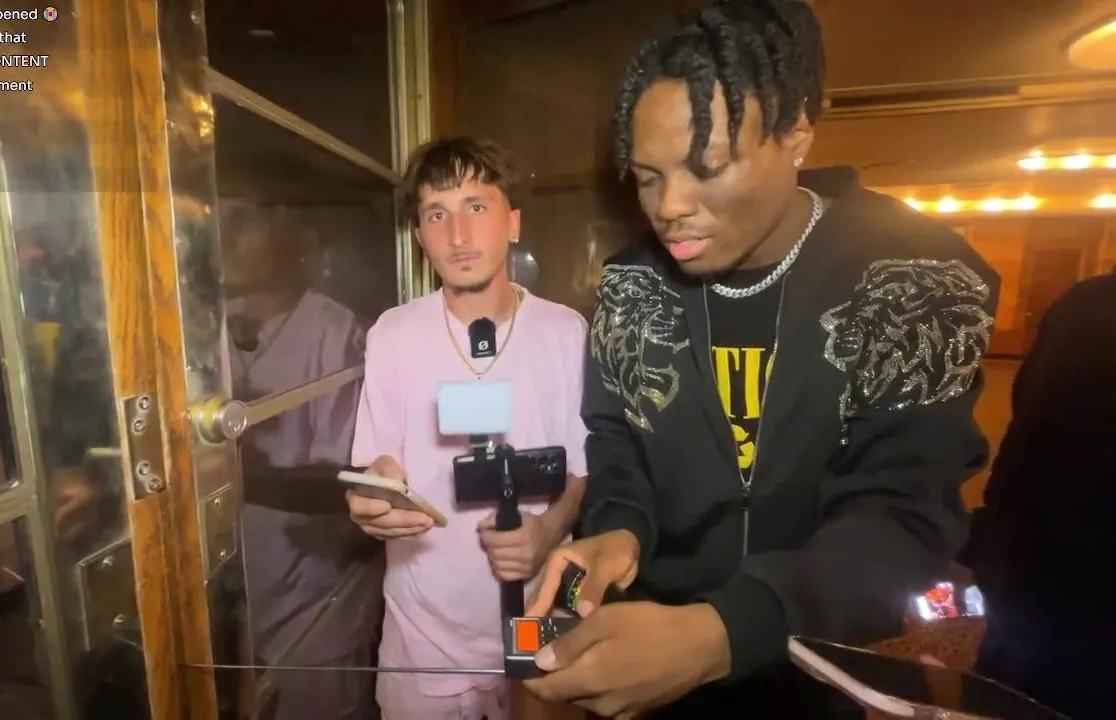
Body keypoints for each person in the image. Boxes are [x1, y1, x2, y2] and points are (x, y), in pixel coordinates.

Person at [522, 1, 1000, 717]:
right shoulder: (631, 285)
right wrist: (619, 531)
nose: (669, 205)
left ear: (796, 133)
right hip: (650, 647)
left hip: (816, 662)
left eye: (706, 167)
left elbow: (903, 513)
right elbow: (618, 444)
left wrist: (727, 631)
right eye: (647, 176)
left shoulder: (917, 275)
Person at [345, 136, 589, 720]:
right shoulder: (393, 334)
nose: (458, 235)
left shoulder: (565, 331)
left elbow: (582, 468)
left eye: (476, 206)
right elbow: (377, 466)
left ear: (513, 222)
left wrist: (546, 531)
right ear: (419, 236)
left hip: (540, 610)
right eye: (437, 214)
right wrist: (372, 500)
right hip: (423, 630)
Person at [222, 199, 384, 719]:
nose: (223, 235)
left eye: (243, 219)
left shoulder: (338, 334)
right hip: (235, 594)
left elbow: (346, 481)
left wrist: (228, 474)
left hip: (316, 599)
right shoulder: (204, 328)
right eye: (216, 218)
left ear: (297, 237)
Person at [963, 272, 1116, 720]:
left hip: (1036, 605)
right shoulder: (1087, 308)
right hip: (1045, 599)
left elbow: (1022, 453)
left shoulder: (1085, 306)